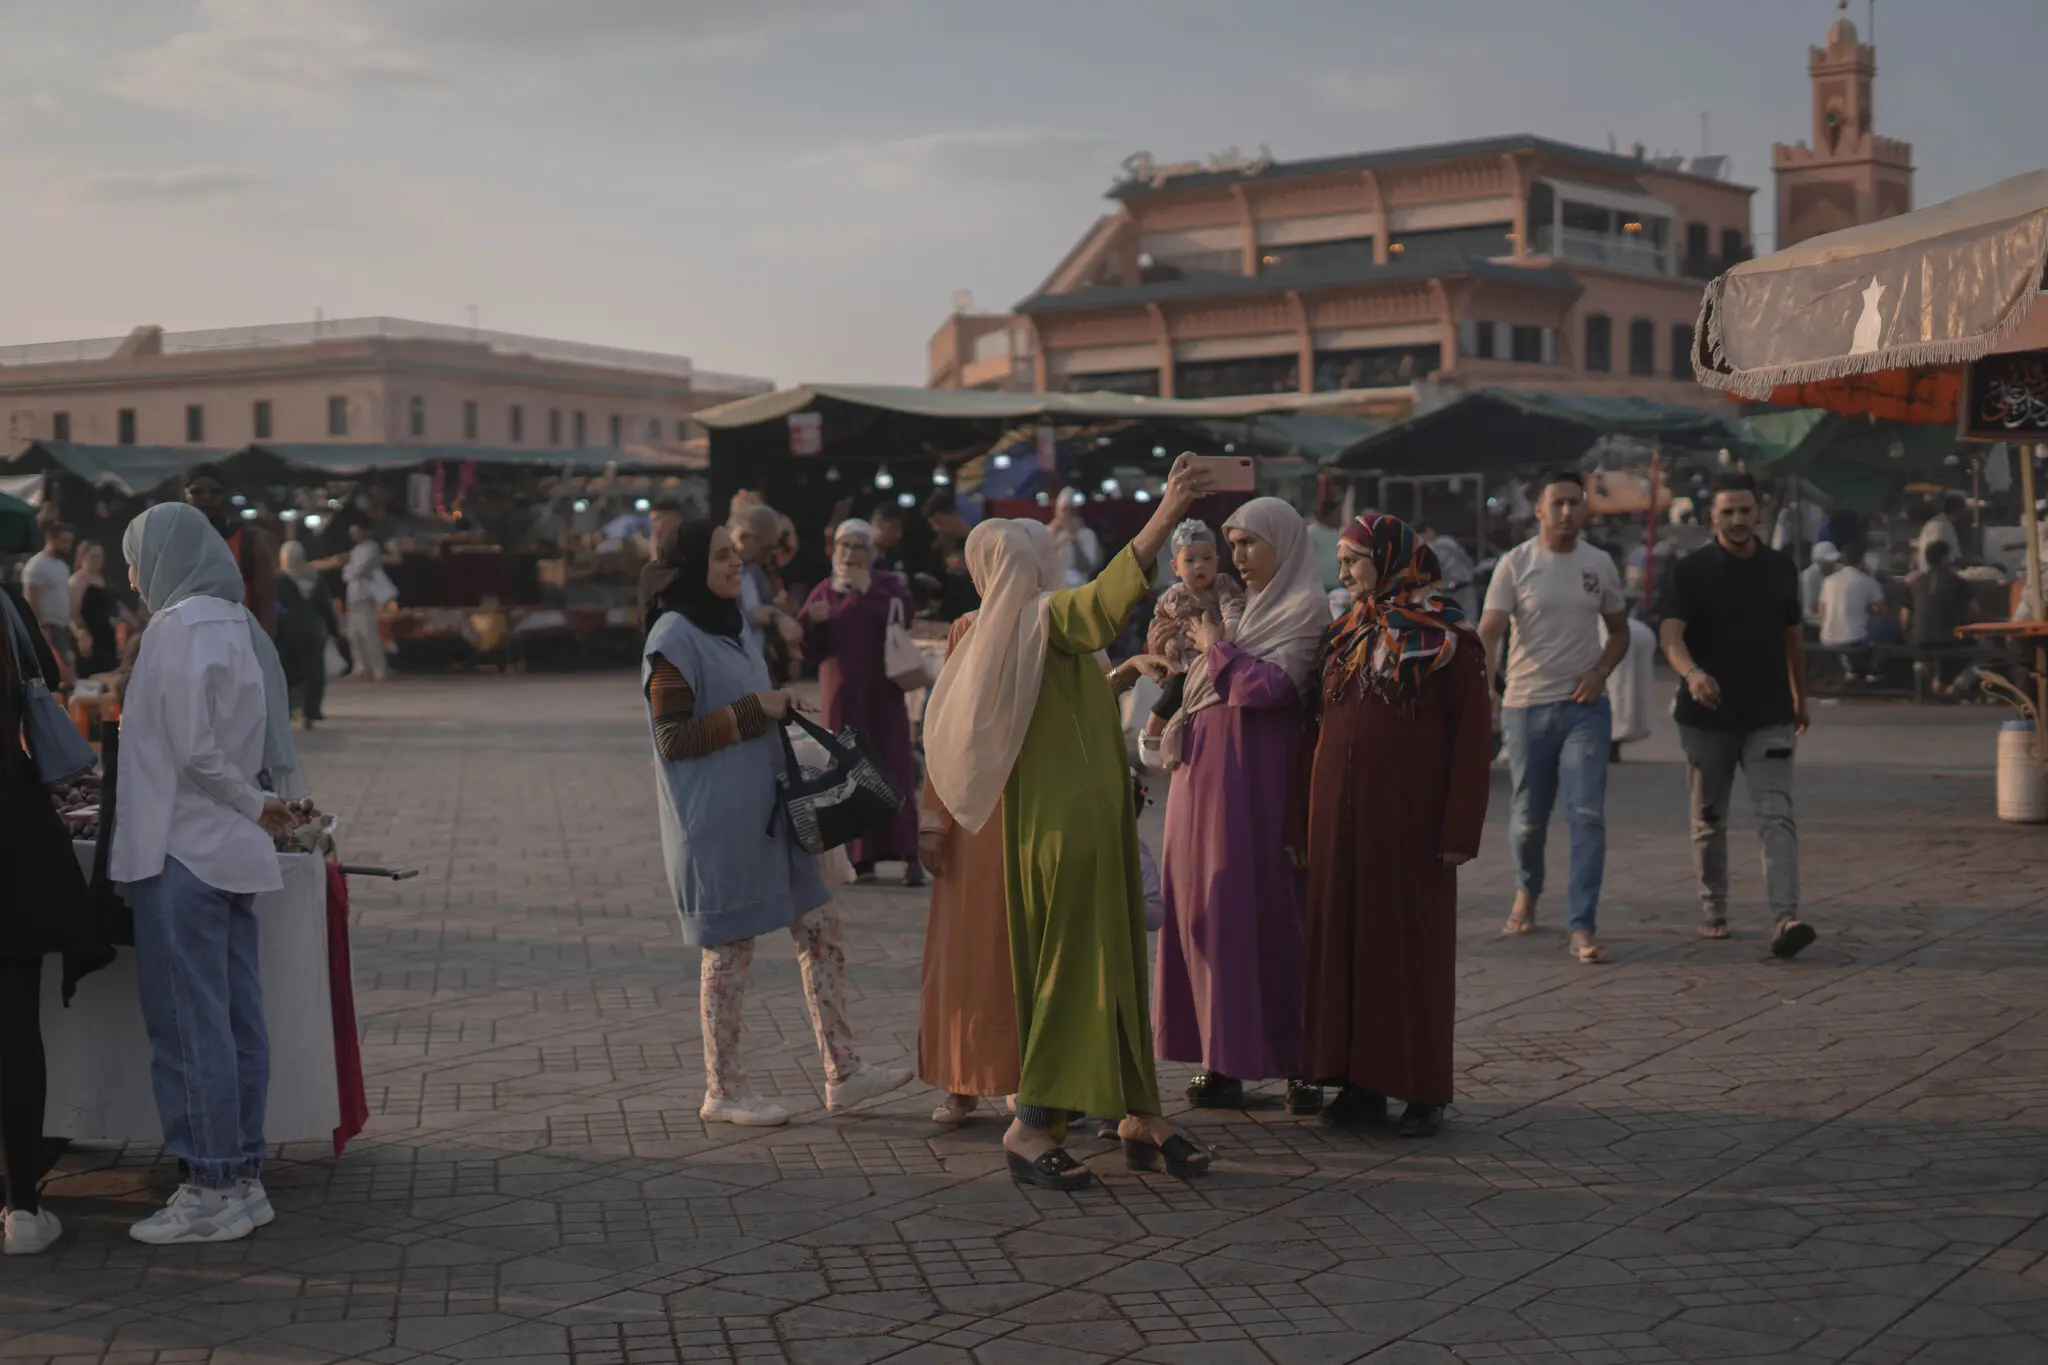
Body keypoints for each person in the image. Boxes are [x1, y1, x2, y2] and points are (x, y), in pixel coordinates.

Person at [921, 453, 1217, 1190]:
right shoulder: (1031, 623)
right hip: (1062, 839)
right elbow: (1098, 606)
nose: (1037, 563)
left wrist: (1119, 675)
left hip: (1092, 830)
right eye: (1026, 555)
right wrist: (1165, 512)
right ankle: (1032, 1124)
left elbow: (1067, 689)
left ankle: (1137, 1114)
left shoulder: (1019, 639)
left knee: (1114, 967)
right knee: (1065, 977)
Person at [640, 520, 909, 1128]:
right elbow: (673, 738)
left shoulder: (731, 626)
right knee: (729, 953)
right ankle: (723, 1089)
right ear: (687, 571)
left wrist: (774, 703)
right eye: (719, 558)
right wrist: (752, 708)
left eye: (734, 555)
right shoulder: (671, 638)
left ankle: (843, 1070)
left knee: (821, 928)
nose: (735, 565)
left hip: (770, 813)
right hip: (716, 824)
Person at [113, 502, 303, 1245]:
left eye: (135, 558)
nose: (132, 575)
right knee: (234, 1018)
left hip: (181, 847)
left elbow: (193, 749)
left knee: (190, 1024)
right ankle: (243, 1176)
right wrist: (254, 805)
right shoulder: (235, 621)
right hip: (225, 851)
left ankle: (211, 1182)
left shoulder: (175, 628)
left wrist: (254, 802)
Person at [1300, 514, 1491, 1139]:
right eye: (1343, 563)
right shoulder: (1345, 632)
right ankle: (1358, 1085)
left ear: (1392, 559)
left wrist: (1459, 829)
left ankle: (1422, 1090)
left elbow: (1470, 738)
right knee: (1349, 949)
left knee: (1409, 952)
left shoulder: (1447, 637)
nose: (1345, 574)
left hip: (1410, 827)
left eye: (1355, 562)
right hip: (1340, 823)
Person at [1146, 497, 1327, 1114]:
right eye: (1235, 545)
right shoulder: (1233, 608)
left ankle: (1300, 1063)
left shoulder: (1304, 608)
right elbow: (1186, 671)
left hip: (1262, 781)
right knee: (1207, 911)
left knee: (1271, 913)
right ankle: (1220, 1059)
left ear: (1284, 542)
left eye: (1251, 543)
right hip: (1200, 779)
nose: (1239, 557)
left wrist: (1217, 649)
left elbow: (1272, 688)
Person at [915, 521, 1061, 1126]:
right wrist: (933, 815)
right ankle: (960, 1076)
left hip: (1032, 811)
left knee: (1016, 950)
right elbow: (949, 729)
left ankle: (1018, 1074)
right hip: (974, 812)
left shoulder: (1054, 626)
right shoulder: (967, 631)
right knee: (966, 952)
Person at [1657, 472, 1816, 959]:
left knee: (1776, 815)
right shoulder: (1691, 571)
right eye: (1728, 512)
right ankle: (1714, 907)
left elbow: (1793, 638)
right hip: (1705, 718)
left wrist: (1800, 698)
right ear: (1712, 518)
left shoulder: (1780, 569)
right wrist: (1693, 674)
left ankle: (1785, 917)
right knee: (1710, 818)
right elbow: (1670, 635)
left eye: (1746, 511)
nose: (1738, 520)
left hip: (1769, 713)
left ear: (1759, 513)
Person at [0, 579, 111, 1255]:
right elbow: (46, 681)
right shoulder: (6, 602)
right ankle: (22, 1207)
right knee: (15, 1027)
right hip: (11, 829)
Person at [1478, 470, 1629, 965]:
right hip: (1526, 706)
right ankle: (1528, 890)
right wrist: (1486, 691)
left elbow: (1619, 631)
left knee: (1586, 814)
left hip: (1585, 708)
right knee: (1527, 819)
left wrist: (1601, 670)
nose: (1567, 512)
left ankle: (1582, 923)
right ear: (1538, 510)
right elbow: (1490, 633)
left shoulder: (1599, 564)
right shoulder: (1515, 564)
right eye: (1557, 503)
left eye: (1575, 503)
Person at [799, 520, 922, 885]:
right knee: (848, 773)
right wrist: (812, 624)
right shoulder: (825, 591)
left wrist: (867, 594)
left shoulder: (887, 585)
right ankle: (860, 856)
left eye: (858, 547)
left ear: (871, 552)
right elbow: (808, 647)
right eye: (844, 546)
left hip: (884, 696)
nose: (850, 554)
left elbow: (906, 615)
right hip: (843, 696)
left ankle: (908, 854)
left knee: (894, 767)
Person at [1139, 520, 1246, 766]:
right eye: (1190, 561)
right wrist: (1165, 647)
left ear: (1217, 562)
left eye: (1206, 559)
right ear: (1175, 567)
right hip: (1184, 663)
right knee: (1171, 700)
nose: (1199, 565)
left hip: (1213, 658)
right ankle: (1153, 737)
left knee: (1200, 710)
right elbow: (1158, 625)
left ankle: (1176, 747)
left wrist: (1228, 632)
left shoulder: (1222, 585)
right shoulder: (1171, 596)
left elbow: (1232, 606)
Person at [182, 466, 278, 639]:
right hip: (186, 642)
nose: (206, 497)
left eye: (215, 491)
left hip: (237, 642)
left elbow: (267, 603)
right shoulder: (172, 542)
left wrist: (263, 648)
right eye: (197, 492)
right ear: (184, 495)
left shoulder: (246, 542)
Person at [276, 542, 343, 728]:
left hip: (288, 634)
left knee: (290, 672)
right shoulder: (315, 578)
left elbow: (275, 608)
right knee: (313, 672)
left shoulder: (279, 580)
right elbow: (326, 607)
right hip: (313, 632)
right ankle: (310, 710)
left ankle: (292, 709)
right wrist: (334, 631)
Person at [1903, 540, 1978, 695]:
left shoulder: (1916, 582)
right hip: (1950, 640)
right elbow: (1975, 611)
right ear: (1945, 559)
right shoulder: (1958, 581)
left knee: (1929, 651)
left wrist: (1910, 635)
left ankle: (1927, 672)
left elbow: (1904, 617)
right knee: (1985, 654)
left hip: (1920, 642)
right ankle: (1957, 685)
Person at [1818, 541, 1889, 681]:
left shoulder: (1829, 581)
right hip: (1855, 639)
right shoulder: (1867, 581)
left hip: (1827, 637)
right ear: (1862, 560)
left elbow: (1822, 611)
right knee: (1886, 625)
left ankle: (1851, 669)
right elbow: (1883, 612)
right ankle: (1874, 669)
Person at [22, 523, 77, 683]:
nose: (68, 546)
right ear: (51, 538)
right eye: (64, 541)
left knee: (67, 675)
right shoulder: (37, 565)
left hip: (63, 626)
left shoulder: (62, 566)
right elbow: (30, 600)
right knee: (61, 675)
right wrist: (40, 627)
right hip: (48, 627)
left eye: (70, 542)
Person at [340, 524, 393, 681]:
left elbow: (357, 570)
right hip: (353, 596)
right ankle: (361, 667)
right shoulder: (355, 550)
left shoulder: (371, 548)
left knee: (369, 633)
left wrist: (350, 571)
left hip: (364, 596)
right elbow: (347, 573)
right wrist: (350, 571)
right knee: (354, 634)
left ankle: (378, 668)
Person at [68, 541, 125, 677]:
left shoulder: (102, 579)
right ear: (83, 557)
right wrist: (81, 634)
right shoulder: (77, 580)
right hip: (89, 635)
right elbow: (72, 612)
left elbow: (115, 605)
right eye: (94, 556)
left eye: (100, 556)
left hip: (107, 636)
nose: (98, 560)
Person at [1421, 523, 1478, 619]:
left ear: (1429, 531)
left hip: (1451, 592)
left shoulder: (1434, 547)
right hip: (1465, 588)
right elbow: (1468, 561)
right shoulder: (1450, 542)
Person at [1049, 489, 1101, 588]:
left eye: (1069, 511)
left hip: (1076, 586)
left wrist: (1074, 539)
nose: (1063, 515)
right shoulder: (1047, 531)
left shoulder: (1086, 534)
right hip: (1052, 587)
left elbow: (1088, 567)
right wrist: (1053, 536)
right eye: (1061, 510)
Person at [1915, 494, 1967, 573]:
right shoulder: (1938, 525)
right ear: (1958, 510)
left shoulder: (1947, 524)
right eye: (1964, 510)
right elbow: (1936, 557)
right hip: (1933, 575)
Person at [1307, 500, 1345, 592]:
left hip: (1335, 585)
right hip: (1317, 586)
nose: (1340, 517)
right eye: (1337, 513)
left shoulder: (1336, 533)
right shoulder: (1311, 532)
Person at [1800, 541, 1840, 623]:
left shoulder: (1834, 571)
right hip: (1812, 621)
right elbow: (1813, 606)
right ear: (1818, 561)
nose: (1831, 565)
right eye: (1828, 562)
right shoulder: (1809, 576)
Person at [869, 505, 912, 577]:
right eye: (893, 528)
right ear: (877, 524)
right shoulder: (861, 553)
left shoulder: (896, 555)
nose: (899, 535)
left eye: (900, 529)